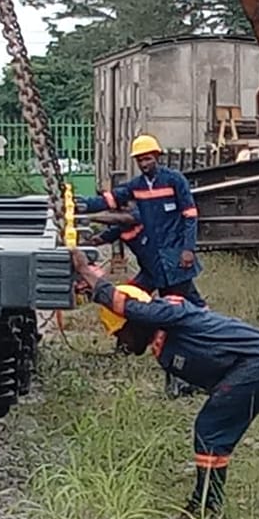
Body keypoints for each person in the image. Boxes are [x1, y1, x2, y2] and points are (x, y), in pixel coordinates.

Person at [75, 252, 259, 517]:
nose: (121, 341)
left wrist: (92, 277)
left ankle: (206, 507)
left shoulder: (169, 313)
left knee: (210, 429)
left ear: (136, 323)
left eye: (121, 334)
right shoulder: (163, 340)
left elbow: (136, 309)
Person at [80, 135, 206, 396]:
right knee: (126, 300)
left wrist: (187, 249)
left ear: (157, 157)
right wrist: (77, 205)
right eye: (140, 159)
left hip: (174, 260)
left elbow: (190, 215)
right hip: (154, 266)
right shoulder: (136, 187)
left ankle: (195, 349)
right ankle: (128, 343)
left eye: (148, 158)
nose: (144, 162)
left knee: (181, 308)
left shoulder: (174, 181)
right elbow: (110, 201)